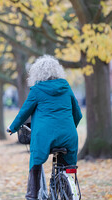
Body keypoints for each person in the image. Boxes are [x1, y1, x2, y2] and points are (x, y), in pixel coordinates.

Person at [7, 55, 82, 200]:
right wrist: (71, 128)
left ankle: (33, 195)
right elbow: (77, 113)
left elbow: (24, 112)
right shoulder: (66, 87)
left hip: (44, 137)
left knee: (35, 160)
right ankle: (66, 186)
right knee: (65, 166)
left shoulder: (37, 90)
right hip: (69, 135)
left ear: (37, 73)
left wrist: (12, 128)